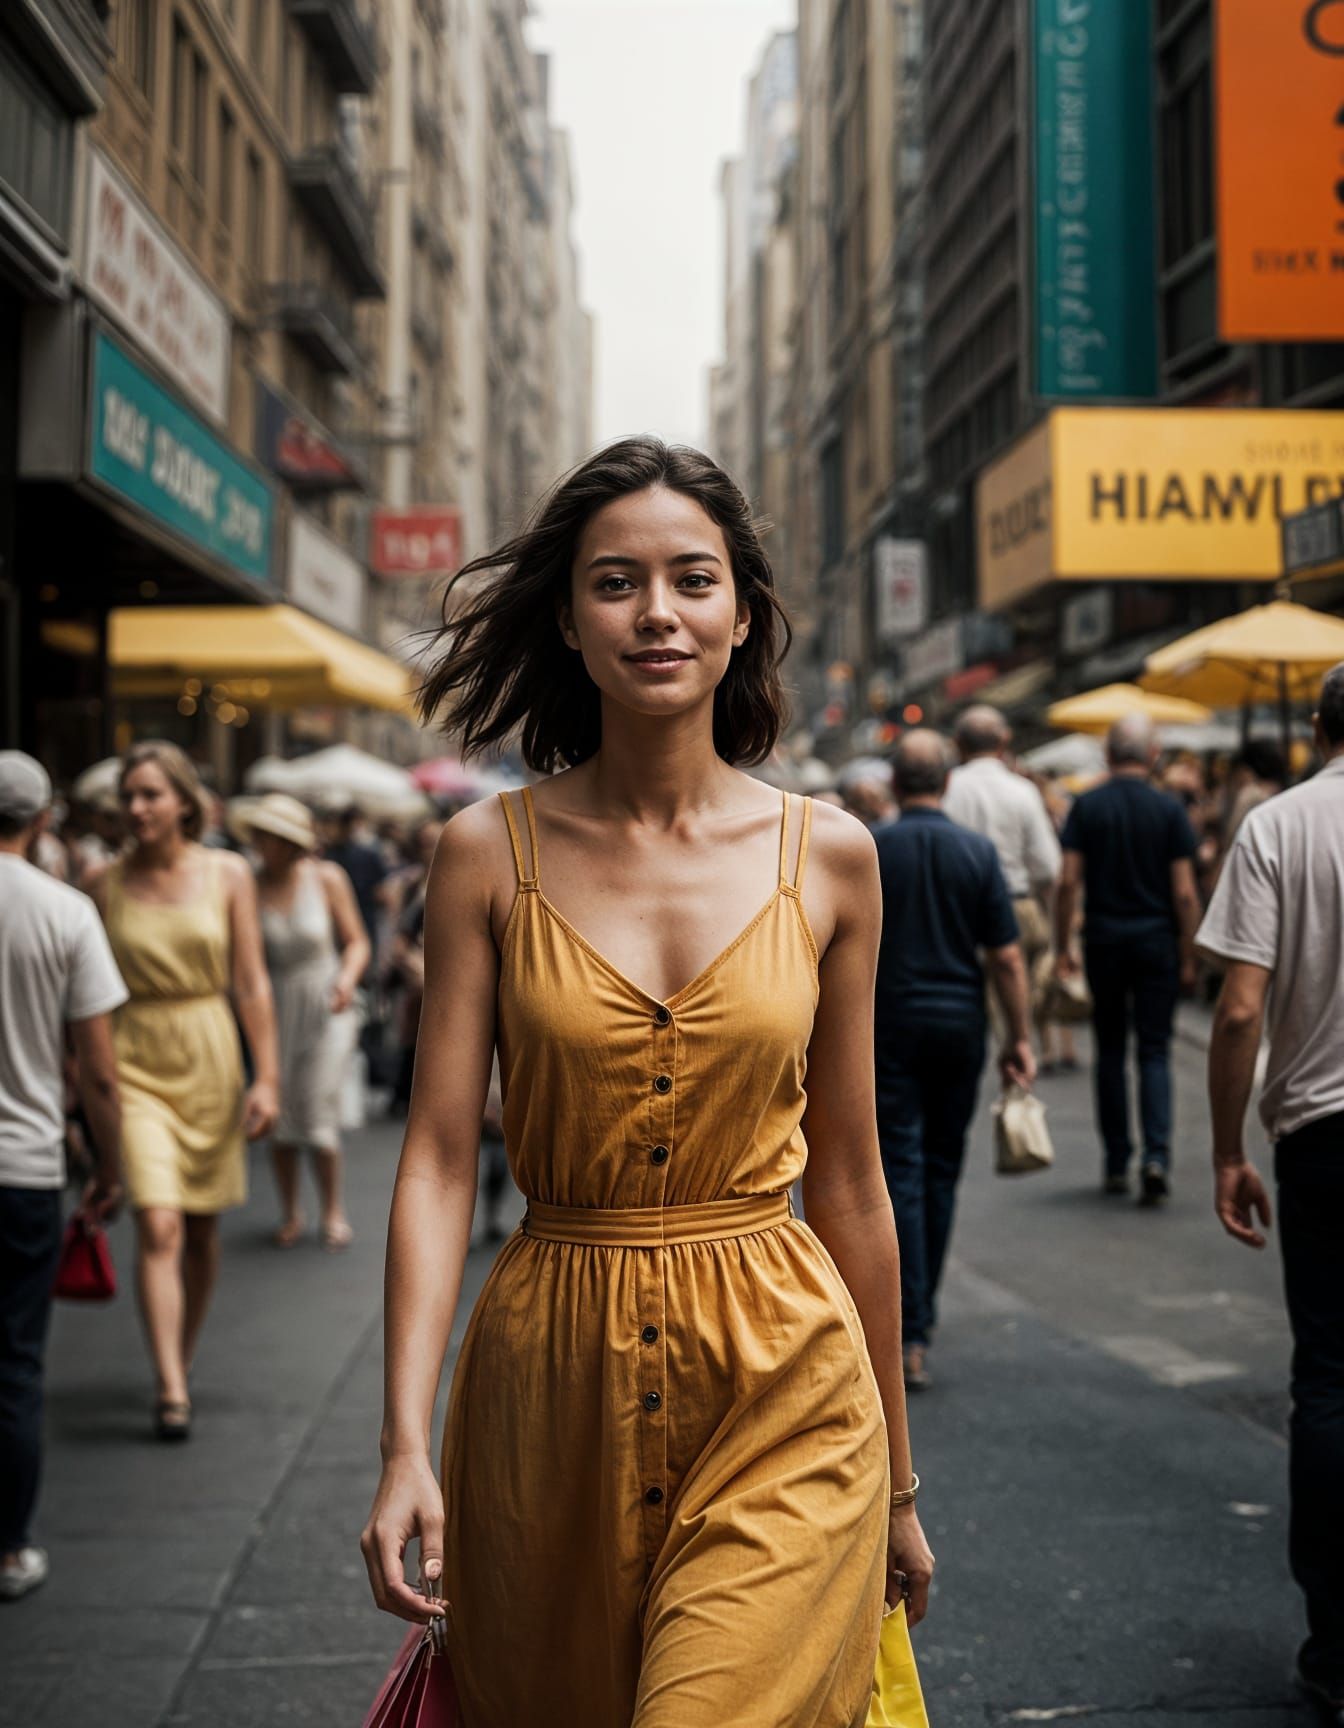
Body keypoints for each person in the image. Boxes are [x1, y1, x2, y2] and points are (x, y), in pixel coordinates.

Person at [360, 437, 934, 1726]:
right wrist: (405, 1440)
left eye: (694, 579)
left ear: (743, 616)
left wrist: (898, 1479)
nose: (657, 613)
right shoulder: (482, 854)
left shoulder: (831, 857)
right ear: (567, 620)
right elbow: (443, 1159)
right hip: (547, 1387)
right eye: (617, 583)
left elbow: (848, 1177)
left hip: (785, 1370)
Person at [1196, 663, 1344, 1723]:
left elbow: (1240, 1010)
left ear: (1313, 726)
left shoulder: (1280, 827)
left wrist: (1224, 1149)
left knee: (1330, 1380)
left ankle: (1337, 1639)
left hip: (1326, 1137)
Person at [86, 742, 279, 1440]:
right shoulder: (98, 882)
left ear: (183, 803)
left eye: (149, 795)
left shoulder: (228, 874)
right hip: (134, 1055)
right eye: (127, 796)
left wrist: (269, 1076)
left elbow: (252, 982)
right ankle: (170, 1384)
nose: (134, 808)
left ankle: (181, 1352)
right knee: (159, 1220)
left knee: (201, 1229)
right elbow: (84, 998)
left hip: (209, 1052)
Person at [0, 754, 126, 1601]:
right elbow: (99, 1071)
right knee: (14, 1361)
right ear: (43, 820)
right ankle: (9, 1549)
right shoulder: (65, 910)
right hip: (24, 1165)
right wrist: (110, 1165)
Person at [874, 729, 1035, 1392]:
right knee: (941, 1173)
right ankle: (922, 1318)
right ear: (944, 781)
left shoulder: (872, 847)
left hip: (887, 1028)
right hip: (960, 1027)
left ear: (894, 783)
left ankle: (904, 1328)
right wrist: (1018, 1037)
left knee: (901, 1172)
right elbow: (1007, 956)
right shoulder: (977, 852)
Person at [1054, 714, 1201, 1203]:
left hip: (1105, 942)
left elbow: (1069, 880)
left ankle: (1117, 1160)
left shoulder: (1088, 806)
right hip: (1157, 941)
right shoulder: (1169, 809)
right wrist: (1190, 953)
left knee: (1111, 1051)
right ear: (1153, 755)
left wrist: (1061, 947)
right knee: (1154, 1050)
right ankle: (1155, 1155)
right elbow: (1183, 892)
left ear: (1109, 755)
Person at [239, 794, 370, 1250]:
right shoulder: (247, 884)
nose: (262, 845)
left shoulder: (327, 878)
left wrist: (348, 980)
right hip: (274, 1006)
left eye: (271, 838)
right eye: (260, 836)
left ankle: (333, 1208)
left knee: (315, 1106)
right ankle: (291, 1209)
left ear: (290, 842)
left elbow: (356, 942)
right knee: (282, 1111)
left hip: (327, 1003)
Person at [943, 704, 1061, 1054]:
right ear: (1004, 741)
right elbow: (1047, 867)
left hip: (959, 914)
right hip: (1017, 906)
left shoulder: (949, 790)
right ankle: (1018, 1061)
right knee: (1014, 1008)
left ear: (958, 744)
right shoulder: (1022, 791)